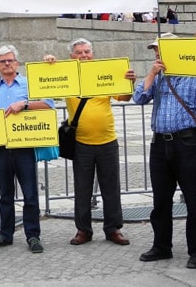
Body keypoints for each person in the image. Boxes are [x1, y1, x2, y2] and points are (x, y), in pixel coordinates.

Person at [132, 40, 196, 269]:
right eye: (155, 51)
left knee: (193, 199)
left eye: (160, 50)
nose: (157, 54)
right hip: (159, 144)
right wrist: (151, 74)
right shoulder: (158, 78)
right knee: (160, 200)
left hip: (187, 143)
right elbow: (139, 98)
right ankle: (161, 246)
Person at [0, 45, 53, 254]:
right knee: (5, 194)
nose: (6, 64)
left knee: (30, 193)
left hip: (24, 146)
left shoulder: (28, 84)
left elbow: (48, 103)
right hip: (0, 147)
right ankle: (6, 234)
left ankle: (33, 235)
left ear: (17, 63)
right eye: (2, 61)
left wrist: (24, 105)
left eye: (10, 60)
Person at [59, 38, 132, 247]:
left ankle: (113, 228)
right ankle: (83, 230)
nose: (83, 55)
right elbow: (45, 83)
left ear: (93, 54)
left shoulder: (104, 73)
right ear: (72, 57)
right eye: (79, 52)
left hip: (108, 140)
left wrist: (129, 81)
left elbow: (125, 97)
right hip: (81, 143)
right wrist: (49, 62)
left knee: (111, 187)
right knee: (82, 188)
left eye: (86, 52)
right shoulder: (68, 76)